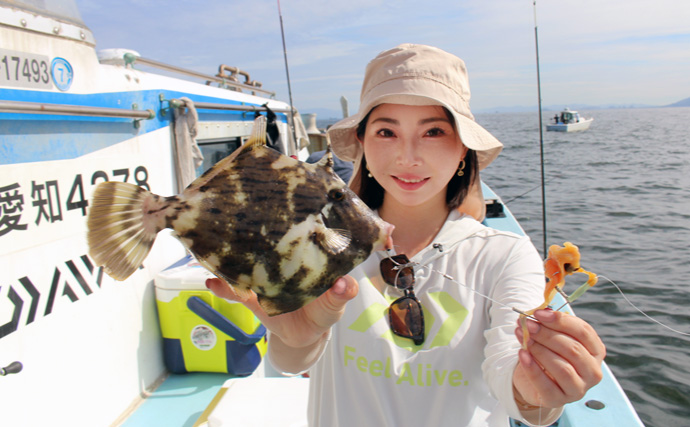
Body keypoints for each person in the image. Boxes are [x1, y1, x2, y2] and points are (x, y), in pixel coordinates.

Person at [206, 44, 605, 426]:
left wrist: (536, 386)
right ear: (361, 141)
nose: (408, 156)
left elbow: (513, 377)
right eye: (386, 132)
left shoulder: (505, 255)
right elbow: (292, 362)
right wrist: (297, 340)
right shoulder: (318, 239)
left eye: (433, 132)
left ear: (463, 148)